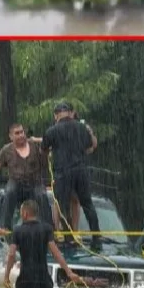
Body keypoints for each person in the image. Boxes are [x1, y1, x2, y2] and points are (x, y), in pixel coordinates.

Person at [35, 102, 101, 250]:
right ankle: (97, 238)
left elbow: (43, 150)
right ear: (71, 113)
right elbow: (90, 147)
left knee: (62, 205)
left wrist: (54, 151)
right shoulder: (81, 127)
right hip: (81, 171)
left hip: (63, 172)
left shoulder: (52, 130)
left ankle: (68, 238)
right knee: (87, 204)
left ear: (56, 115)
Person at [4, 200, 83, 288]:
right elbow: (56, 253)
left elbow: (11, 254)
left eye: (21, 213)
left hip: (25, 280)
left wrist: (6, 276)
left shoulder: (18, 230)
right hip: (43, 280)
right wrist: (69, 272)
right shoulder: (46, 229)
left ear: (25, 213)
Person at [0, 123, 53, 230]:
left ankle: (49, 229)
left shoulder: (34, 145)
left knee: (42, 196)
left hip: (35, 182)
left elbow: (50, 145)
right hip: (16, 182)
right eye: (17, 133)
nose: (21, 135)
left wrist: (38, 140)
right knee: (9, 193)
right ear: (11, 136)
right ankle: (5, 227)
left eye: (22, 132)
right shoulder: (6, 150)